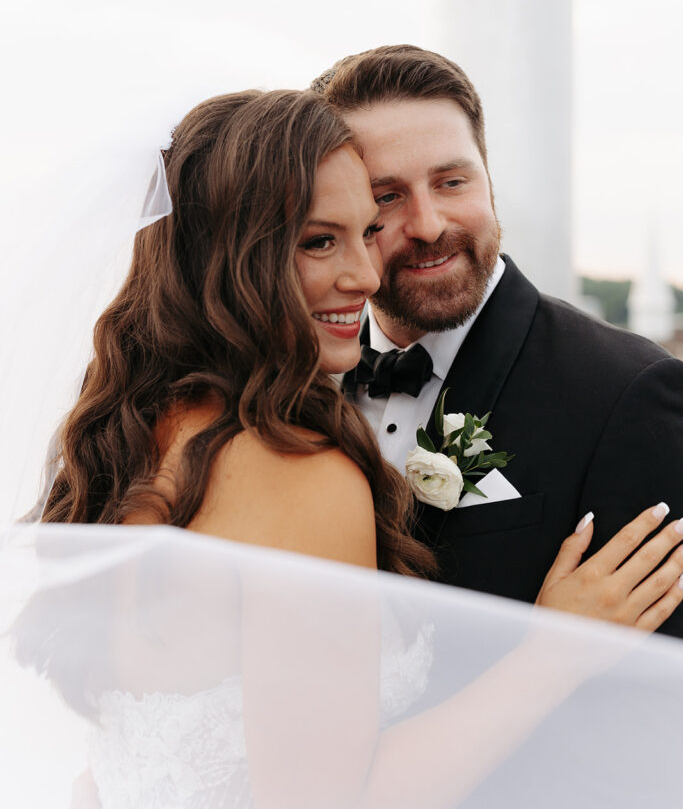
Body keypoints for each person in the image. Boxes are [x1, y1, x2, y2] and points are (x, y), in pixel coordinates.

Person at [9, 86, 683, 808]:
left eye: (365, 229)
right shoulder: (295, 469)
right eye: (319, 239)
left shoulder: (128, 438)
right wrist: (551, 654)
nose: (366, 274)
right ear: (226, 253)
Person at [312, 44, 683, 637]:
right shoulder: (292, 377)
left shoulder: (628, 392)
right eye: (387, 197)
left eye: (452, 181)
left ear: (488, 176)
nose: (430, 224)